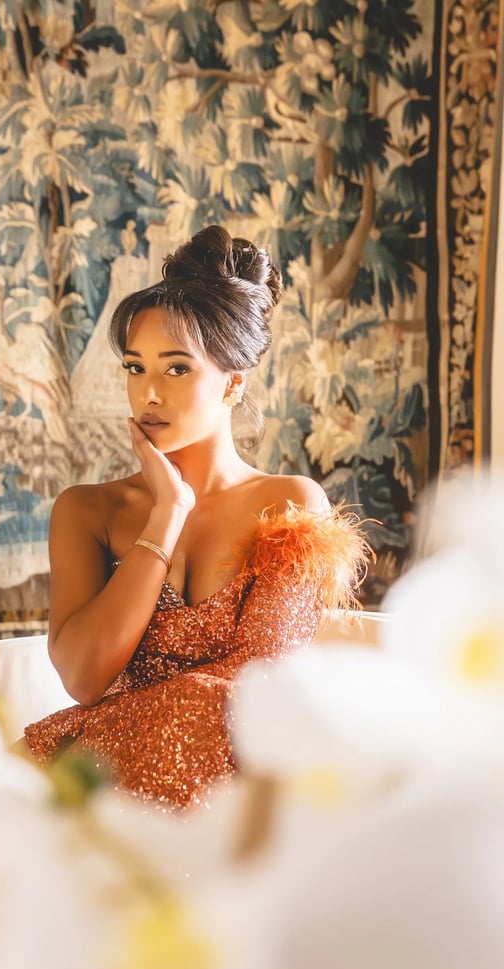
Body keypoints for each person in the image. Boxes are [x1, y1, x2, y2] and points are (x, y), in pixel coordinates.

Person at [24, 225, 370, 808]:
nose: (149, 393)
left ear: (233, 383)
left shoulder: (289, 506)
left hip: (236, 794)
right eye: (136, 368)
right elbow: (84, 679)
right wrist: (167, 514)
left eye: (176, 369)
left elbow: (262, 687)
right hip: (97, 780)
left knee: (205, 706)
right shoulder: (88, 510)